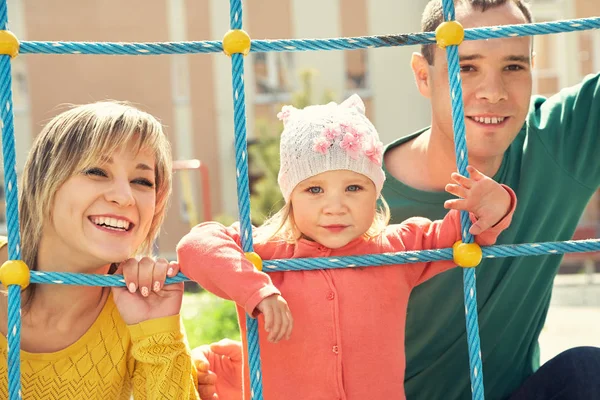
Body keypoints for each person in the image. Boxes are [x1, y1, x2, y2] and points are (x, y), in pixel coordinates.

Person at [176, 94, 517, 399]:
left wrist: (495, 203)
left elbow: (467, 231)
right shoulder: (265, 253)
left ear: (377, 192)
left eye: (354, 188)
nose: (335, 206)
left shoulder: (394, 249)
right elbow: (195, 244)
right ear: (290, 196)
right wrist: (257, 292)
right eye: (314, 190)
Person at [381, 1, 600, 399]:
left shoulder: (555, 143)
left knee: (587, 371)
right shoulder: (351, 201)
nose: (494, 92)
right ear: (422, 75)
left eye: (514, 67)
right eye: (467, 67)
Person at [0, 101, 200, 399]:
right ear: (44, 183)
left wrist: (159, 336)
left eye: (142, 181)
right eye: (97, 171)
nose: (125, 197)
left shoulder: (140, 306)